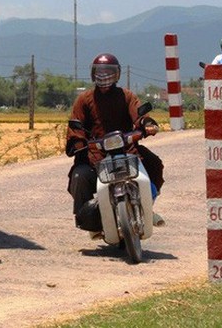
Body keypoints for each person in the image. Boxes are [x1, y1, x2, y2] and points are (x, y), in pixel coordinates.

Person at [66, 53, 165, 233]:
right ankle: (88, 219)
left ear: (117, 74)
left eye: (108, 71)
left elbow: (139, 114)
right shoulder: (84, 99)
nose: (104, 75)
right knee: (79, 176)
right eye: (99, 71)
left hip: (126, 149)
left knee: (154, 164)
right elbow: (76, 124)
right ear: (92, 73)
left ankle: (148, 206)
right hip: (95, 154)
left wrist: (147, 124)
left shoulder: (126, 95)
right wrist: (77, 142)